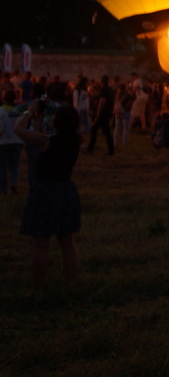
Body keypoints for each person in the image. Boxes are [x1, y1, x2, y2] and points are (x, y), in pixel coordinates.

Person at [14, 101, 82, 290]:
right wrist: (38, 126)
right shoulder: (75, 142)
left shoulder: (45, 141)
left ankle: (38, 288)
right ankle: (71, 284)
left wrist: (29, 111)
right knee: (67, 243)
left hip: (45, 192)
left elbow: (17, 128)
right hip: (65, 190)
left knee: (41, 244)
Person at [0, 90, 24, 196]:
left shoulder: (1, 110)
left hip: (3, 141)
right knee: (14, 165)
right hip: (17, 140)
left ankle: (3, 188)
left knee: (2, 166)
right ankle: (14, 185)